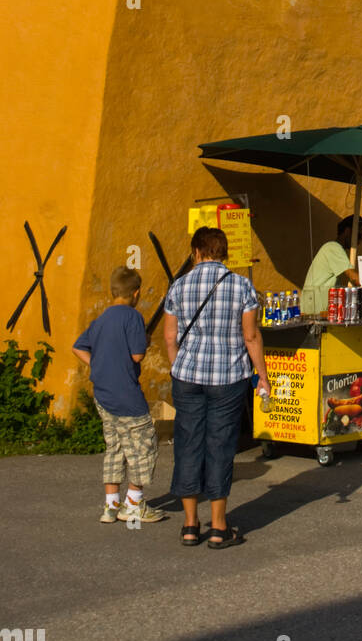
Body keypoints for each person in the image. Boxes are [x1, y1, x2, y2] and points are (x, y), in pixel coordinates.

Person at [163, 226, 269, 547]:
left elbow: (169, 337)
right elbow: (250, 336)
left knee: (188, 444)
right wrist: (262, 376)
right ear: (223, 252)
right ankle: (219, 527)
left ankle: (191, 525)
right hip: (228, 378)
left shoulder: (178, 286)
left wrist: (179, 367)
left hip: (188, 376)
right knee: (221, 446)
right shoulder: (241, 286)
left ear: (196, 252)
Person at [73, 266, 167, 525]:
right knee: (142, 447)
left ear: (113, 291)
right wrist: (145, 342)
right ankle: (134, 505)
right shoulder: (132, 317)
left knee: (114, 447)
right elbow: (136, 355)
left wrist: (98, 363)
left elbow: (78, 347)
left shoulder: (101, 318)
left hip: (103, 394)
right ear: (135, 293)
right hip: (127, 394)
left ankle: (111, 506)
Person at [300, 215, 362, 316]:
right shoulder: (333, 247)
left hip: (319, 306)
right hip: (315, 308)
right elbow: (353, 276)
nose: (360, 241)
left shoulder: (335, 249)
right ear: (347, 231)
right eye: (358, 236)